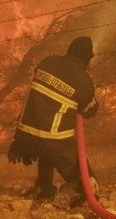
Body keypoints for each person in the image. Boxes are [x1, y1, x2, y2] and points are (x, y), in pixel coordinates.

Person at [7, 36, 99, 203]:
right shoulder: (84, 81)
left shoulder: (47, 62)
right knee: (89, 183)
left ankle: (43, 187)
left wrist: (18, 141)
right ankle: (68, 197)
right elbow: (88, 111)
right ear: (88, 58)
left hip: (24, 136)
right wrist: (90, 93)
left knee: (46, 143)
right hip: (53, 142)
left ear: (69, 50)